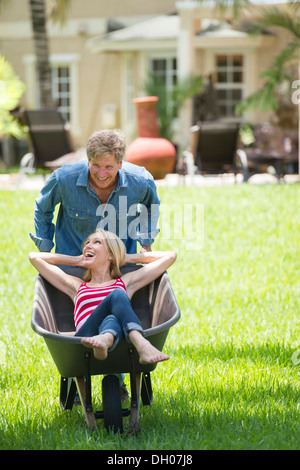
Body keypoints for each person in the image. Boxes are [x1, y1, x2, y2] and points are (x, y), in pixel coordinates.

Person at [29, 229, 177, 364]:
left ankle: (105, 338)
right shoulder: (77, 286)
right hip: (84, 338)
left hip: (114, 337)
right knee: (117, 295)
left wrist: (126, 258)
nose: (88, 246)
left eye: (97, 242)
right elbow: (34, 257)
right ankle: (141, 342)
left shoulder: (125, 282)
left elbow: (170, 256)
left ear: (110, 255)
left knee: (112, 316)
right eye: (87, 243)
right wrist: (77, 260)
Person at [29, 129, 160, 256]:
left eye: (108, 167)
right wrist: (45, 250)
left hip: (121, 267)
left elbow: (151, 207)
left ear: (120, 164)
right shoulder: (63, 179)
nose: (101, 174)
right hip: (73, 265)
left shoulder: (141, 181)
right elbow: (42, 208)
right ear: (88, 161)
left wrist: (146, 244)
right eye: (96, 165)